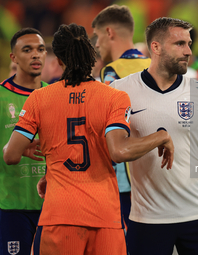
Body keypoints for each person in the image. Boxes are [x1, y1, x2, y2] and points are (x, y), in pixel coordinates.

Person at [3, 23, 174, 255]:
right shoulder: (114, 97)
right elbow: (119, 152)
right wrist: (160, 136)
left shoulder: (38, 98)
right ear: (91, 54)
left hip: (59, 215)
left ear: (59, 60)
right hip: (104, 217)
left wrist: (51, 168)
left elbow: (11, 155)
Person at [111, 17, 198, 255]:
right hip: (147, 219)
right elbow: (114, 147)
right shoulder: (121, 90)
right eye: (179, 44)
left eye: (189, 43)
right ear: (155, 47)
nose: (188, 51)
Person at [92, 4, 151, 228]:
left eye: (98, 36)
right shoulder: (154, 66)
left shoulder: (112, 72)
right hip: (155, 170)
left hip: (127, 177)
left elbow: (105, 122)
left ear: (109, 32)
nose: (97, 44)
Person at [0, 28, 47, 255]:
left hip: (53, 208)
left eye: (40, 49)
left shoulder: (56, 95)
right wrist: (11, 149)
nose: (35, 55)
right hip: (12, 207)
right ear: (14, 57)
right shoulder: (1, 97)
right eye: (27, 50)